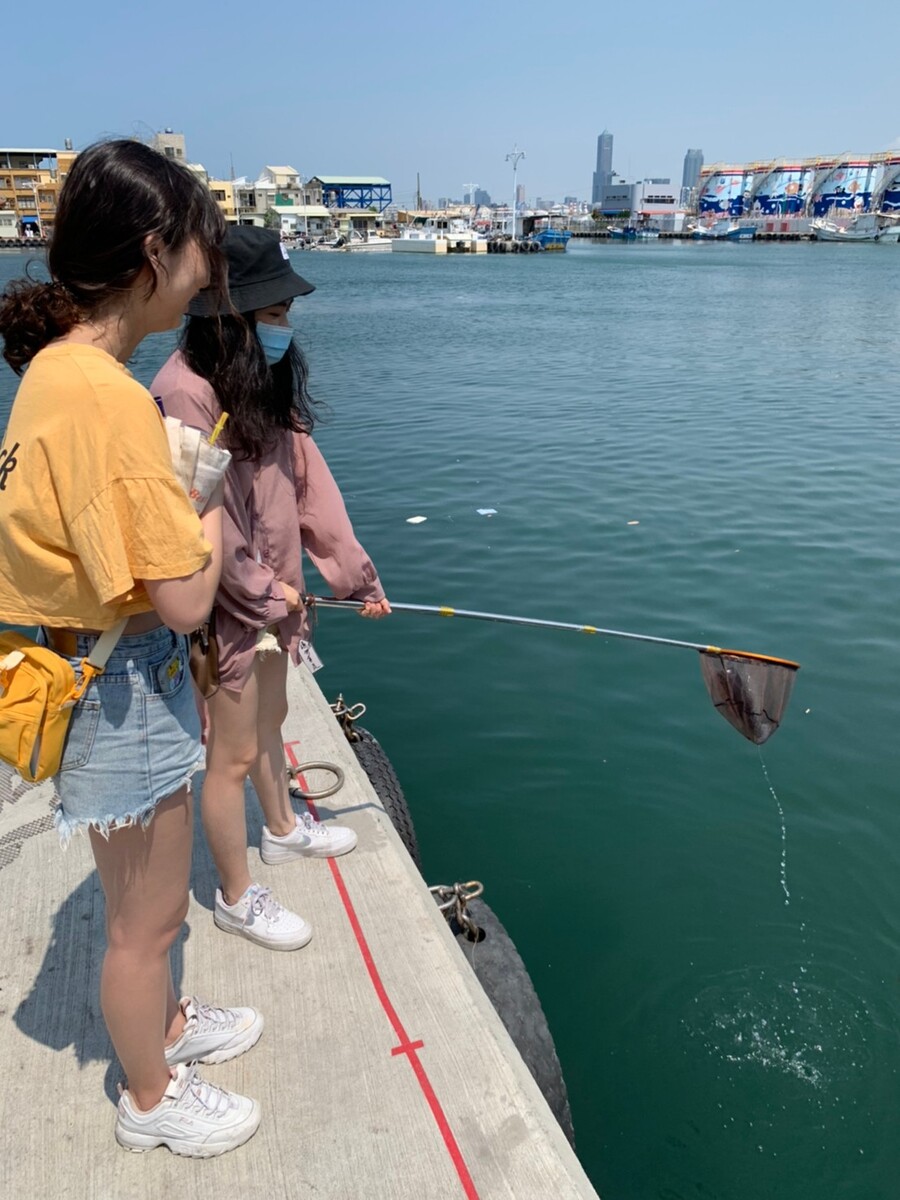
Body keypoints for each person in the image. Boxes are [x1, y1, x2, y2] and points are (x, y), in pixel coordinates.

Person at [0, 140, 264, 1158]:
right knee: (145, 924)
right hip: (119, 684)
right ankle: (151, 1100)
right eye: (202, 247)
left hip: (77, 666)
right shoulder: (112, 399)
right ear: (156, 252)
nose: (210, 269)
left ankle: (162, 1029)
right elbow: (189, 601)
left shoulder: (56, 375)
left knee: (131, 905)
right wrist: (207, 505)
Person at [152, 227, 390, 952]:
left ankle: (282, 832)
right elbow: (196, 524)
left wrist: (354, 579)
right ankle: (233, 895)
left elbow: (311, 488)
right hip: (225, 611)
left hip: (280, 602)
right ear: (234, 317)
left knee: (270, 723)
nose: (287, 325)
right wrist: (260, 591)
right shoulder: (181, 394)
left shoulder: (263, 381)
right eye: (276, 312)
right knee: (225, 757)